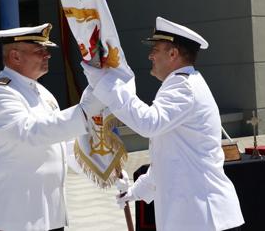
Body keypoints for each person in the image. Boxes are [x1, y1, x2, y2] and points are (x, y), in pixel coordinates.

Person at [85, 17, 244, 231]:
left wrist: (109, 85)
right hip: (197, 217)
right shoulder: (182, 84)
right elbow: (170, 157)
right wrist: (136, 191)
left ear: (173, 54)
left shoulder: (182, 86)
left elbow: (148, 123)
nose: (150, 55)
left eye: (156, 49)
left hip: (203, 218)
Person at [0, 23, 96, 231]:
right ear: (15, 56)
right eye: (39, 51)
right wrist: (84, 113)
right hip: (15, 218)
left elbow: (66, 146)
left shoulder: (42, 93)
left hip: (49, 214)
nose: (47, 55)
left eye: (46, 50)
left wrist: (103, 168)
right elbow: (31, 132)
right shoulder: (0, 94)